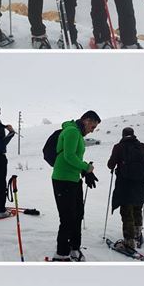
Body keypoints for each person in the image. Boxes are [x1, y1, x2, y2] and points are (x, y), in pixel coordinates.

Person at [51, 111, 101, 261]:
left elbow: (74, 158)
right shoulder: (72, 131)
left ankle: (74, 248)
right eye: (92, 126)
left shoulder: (77, 134)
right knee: (67, 217)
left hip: (73, 179)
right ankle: (61, 253)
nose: (92, 130)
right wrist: (86, 167)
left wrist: (85, 172)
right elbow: (69, 156)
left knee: (78, 215)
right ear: (86, 120)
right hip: (63, 180)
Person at [107, 127, 144, 251]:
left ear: (123, 135)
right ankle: (137, 235)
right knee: (137, 209)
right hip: (140, 186)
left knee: (127, 213)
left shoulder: (118, 147)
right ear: (133, 135)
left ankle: (129, 242)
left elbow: (110, 164)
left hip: (124, 185)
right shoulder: (141, 146)